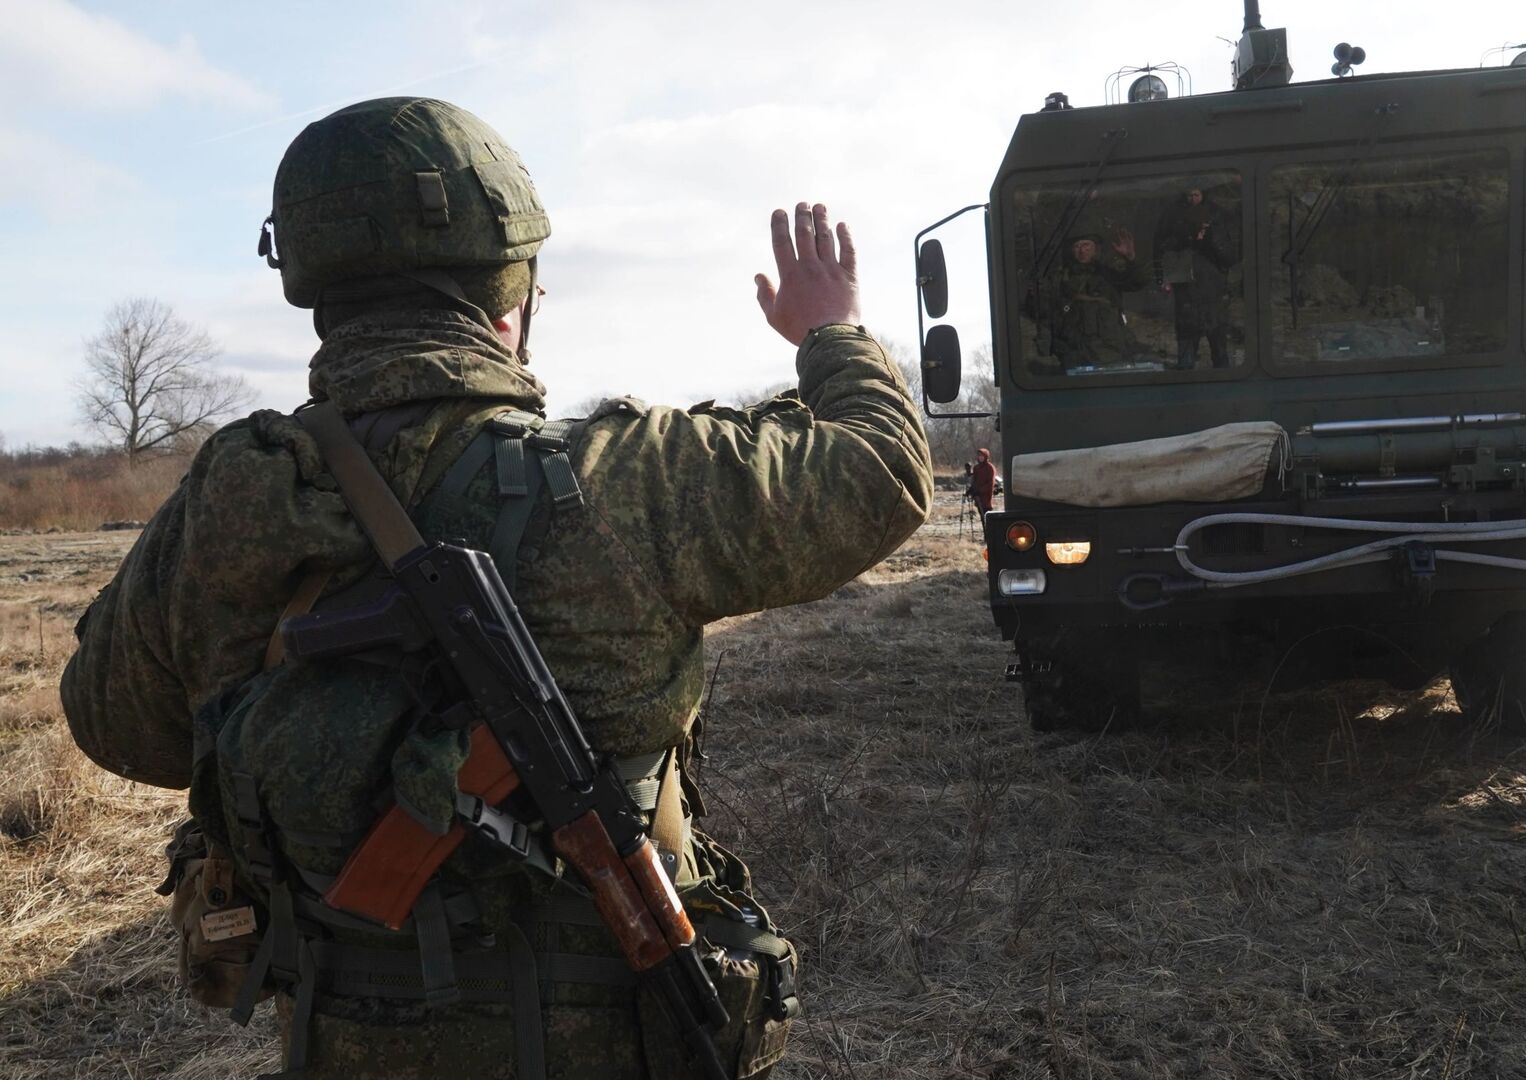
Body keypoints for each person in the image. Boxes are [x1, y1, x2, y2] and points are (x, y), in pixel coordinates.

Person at [60, 97, 932, 1079]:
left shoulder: (236, 493)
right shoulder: (623, 477)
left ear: (313, 283)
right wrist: (833, 335)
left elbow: (115, 724)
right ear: (511, 297)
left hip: (343, 1044)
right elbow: (882, 471)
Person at [1038, 229, 1149, 370]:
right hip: (1074, 355)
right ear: (1071, 251)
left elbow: (1138, 282)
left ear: (1095, 249)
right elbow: (1045, 314)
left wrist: (1130, 258)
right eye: (1077, 246)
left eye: (1086, 245)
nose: (1082, 251)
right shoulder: (1059, 278)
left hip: (1110, 353)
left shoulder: (1108, 274)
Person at [1154, 187, 1239, 369]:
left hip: (1213, 293)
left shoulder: (1218, 219)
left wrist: (1211, 238)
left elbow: (1230, 257)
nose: (1193, 199)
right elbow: (1162, 248)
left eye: (1196, 195)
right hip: (1186, 295)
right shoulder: (1174, 218)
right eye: (1189, 195)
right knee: (1186, 348)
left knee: (1219, 346)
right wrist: (1187, 237)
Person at [968, 448, 997, 518]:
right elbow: (974, 480)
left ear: (986, 456)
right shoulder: (976, 468)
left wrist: (980, 490)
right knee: (981, 515)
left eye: (982, 456)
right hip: (978, 496)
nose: (980, 457)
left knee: (987, 514)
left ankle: (989, 528)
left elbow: (990, 483)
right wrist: (972, 490)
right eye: (979, 456)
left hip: (986, 495)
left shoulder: (990, 467)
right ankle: (984, 528)